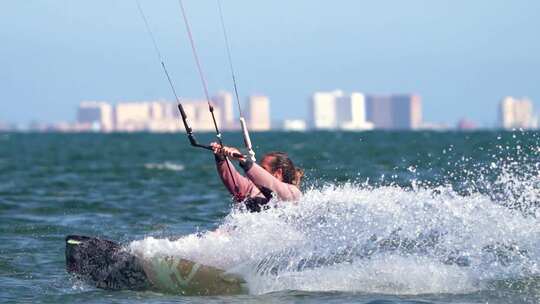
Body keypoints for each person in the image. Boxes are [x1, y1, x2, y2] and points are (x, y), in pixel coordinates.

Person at [210, 142, 303, 212]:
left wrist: (243, 160)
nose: (259, 172)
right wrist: (221, 158)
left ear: (278, 173)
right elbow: (234, 181)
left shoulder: (293, 193)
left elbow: (272, 185)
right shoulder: (252, 189)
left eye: (263, 169)